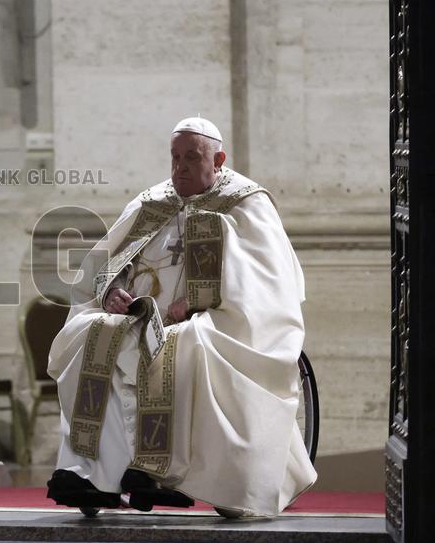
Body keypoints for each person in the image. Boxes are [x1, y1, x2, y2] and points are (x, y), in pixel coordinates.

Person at [47, 117, 316, 517]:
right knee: (92, 332)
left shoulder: (246, 203)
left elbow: (267, 282)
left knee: (183, 343)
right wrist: (112, 290)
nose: (180, 167)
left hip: (214, 319)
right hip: (138, 317)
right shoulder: (152, 202)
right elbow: (107, 261)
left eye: (192, 157)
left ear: (218, 160)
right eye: (175, 157)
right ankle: (90, 474)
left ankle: (156, 470)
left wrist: (197, 301)